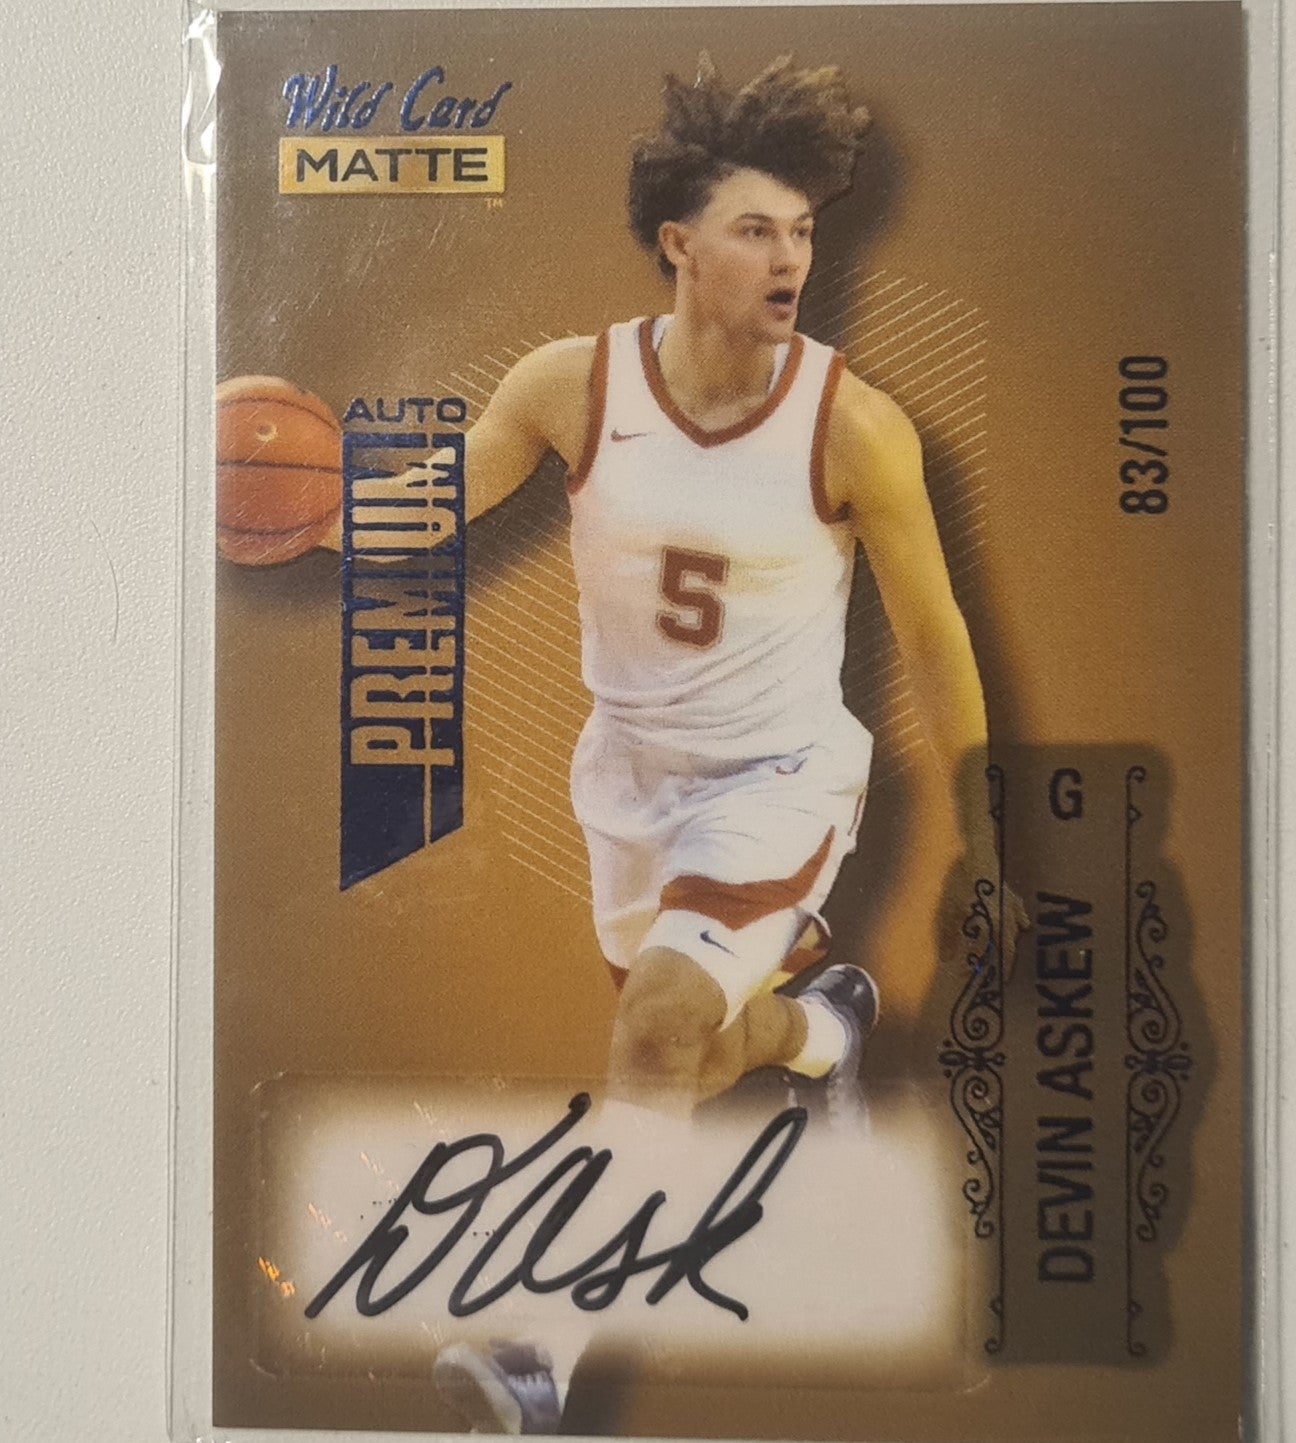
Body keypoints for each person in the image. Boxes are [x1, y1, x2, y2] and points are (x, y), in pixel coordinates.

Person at [246, 54, 1018, 1434]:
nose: (790, 258)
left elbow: (935, 636)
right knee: (686, 1059)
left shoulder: (854, 428)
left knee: (657, 1034)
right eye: (754, 229)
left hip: (780, 780)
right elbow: (432, 505)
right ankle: (821, 1029)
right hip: (629, 785)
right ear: (679, 242)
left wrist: (991, 837)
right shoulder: (571, 384)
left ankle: (542, 1349)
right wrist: (298, 512)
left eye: (802, 230)